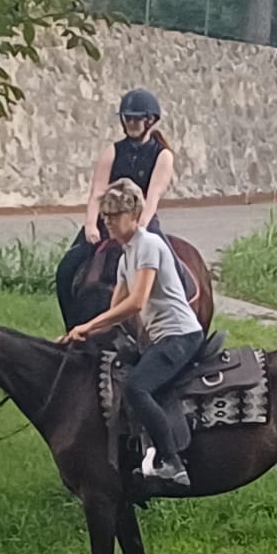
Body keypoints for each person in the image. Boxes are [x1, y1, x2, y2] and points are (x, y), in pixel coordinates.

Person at [63, 178, 203, 488]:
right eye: (106, 214)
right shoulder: (127, 255)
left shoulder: (149, 245)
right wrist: (80, 333)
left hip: (180, 336)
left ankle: (172, 462)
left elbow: (135, 302)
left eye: (114, 214)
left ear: (134, 214)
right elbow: (114, 313)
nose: (107, 221)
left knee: (137, 388)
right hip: (161, 339)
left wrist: (87, 325)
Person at [55, 89, 176, 324]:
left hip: (140, 222)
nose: (131, 123)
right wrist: (91, 224)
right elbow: (98, 192)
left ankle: (180, 313)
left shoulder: (162, 156)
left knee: (174, 267)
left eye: (136, 118)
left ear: (150, 120)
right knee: (67, 268)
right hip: (107, 221)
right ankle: (71, 325)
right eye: (127, 118)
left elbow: (152, 198)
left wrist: (137, 230)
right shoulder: (113, 151)